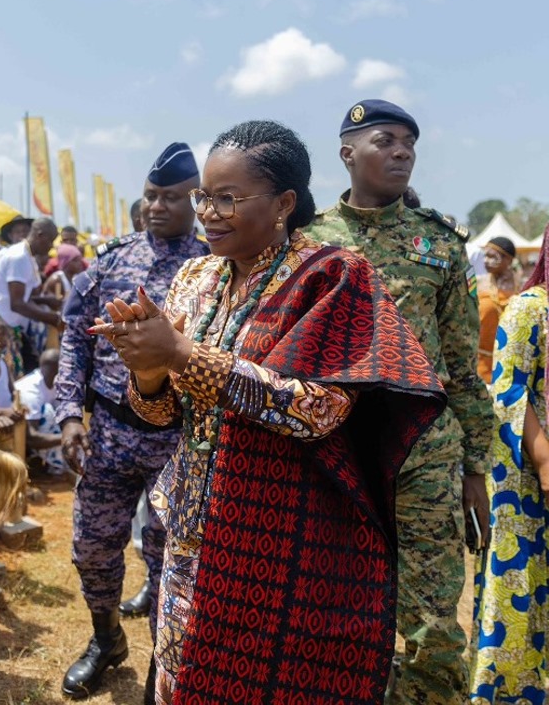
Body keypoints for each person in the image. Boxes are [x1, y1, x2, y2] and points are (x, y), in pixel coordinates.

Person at [96, 120, 446, 704]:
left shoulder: (333, 275)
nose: (208, 212)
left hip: (285, 538)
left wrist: (182, 352)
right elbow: (161, 415)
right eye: (203, 197)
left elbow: (319, 409)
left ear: (285, 203)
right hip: (191, 531)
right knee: (184, 679)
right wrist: (148, 368)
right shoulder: (194, 277)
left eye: (228, 198)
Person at [306, 99, 494, 704]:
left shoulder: (439, 242)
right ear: (347, 154)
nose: (403, 151)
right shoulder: (307, 242)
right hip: (335, 449)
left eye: (409, 142)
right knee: (331, 605)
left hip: (426, 456)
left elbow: (463, 368)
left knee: (433, 617)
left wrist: (474, 467)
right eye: (385, 140)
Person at [56, 142, 210, 701]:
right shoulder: (113, 259)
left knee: (168, 559)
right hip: (111, 434)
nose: (156, 207)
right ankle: (105, 640)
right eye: (150, 196)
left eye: (170, 197)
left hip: (177, 436)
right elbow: (73, 338)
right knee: (92, 548)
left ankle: (159, 668)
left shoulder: (210, 266)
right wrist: (71, 414)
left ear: (194, 201)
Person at [470, 221, 549, 703]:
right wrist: (543, 457)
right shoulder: (529, 309)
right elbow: (511, 393)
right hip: (525, 478)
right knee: (521, 590)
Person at [0, 217, 61, 374]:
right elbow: (17, 303)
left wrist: (46, 301)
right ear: (40, 235)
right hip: (4, 327)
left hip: (14, 326)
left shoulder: (27, 256)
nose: (51, 247)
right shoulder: (19, 257)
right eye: (51, 241)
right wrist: (52, 319)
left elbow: (25, 295)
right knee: (15, 378)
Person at [16, 348, 67, 475]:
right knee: (49, 411)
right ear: (58, 368)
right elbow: (31, 438)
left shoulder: (55, 383)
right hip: (18, 436)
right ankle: (52, 466)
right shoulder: (31, 391)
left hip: (39, 433)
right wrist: (67, 438)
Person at [477, 236, 519, 384]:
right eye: (485, 256)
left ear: (508, 260)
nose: (486, 261)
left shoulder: (521, 286)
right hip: (481, 365)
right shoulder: (479, 283)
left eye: (492, 256)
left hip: (512, 363)